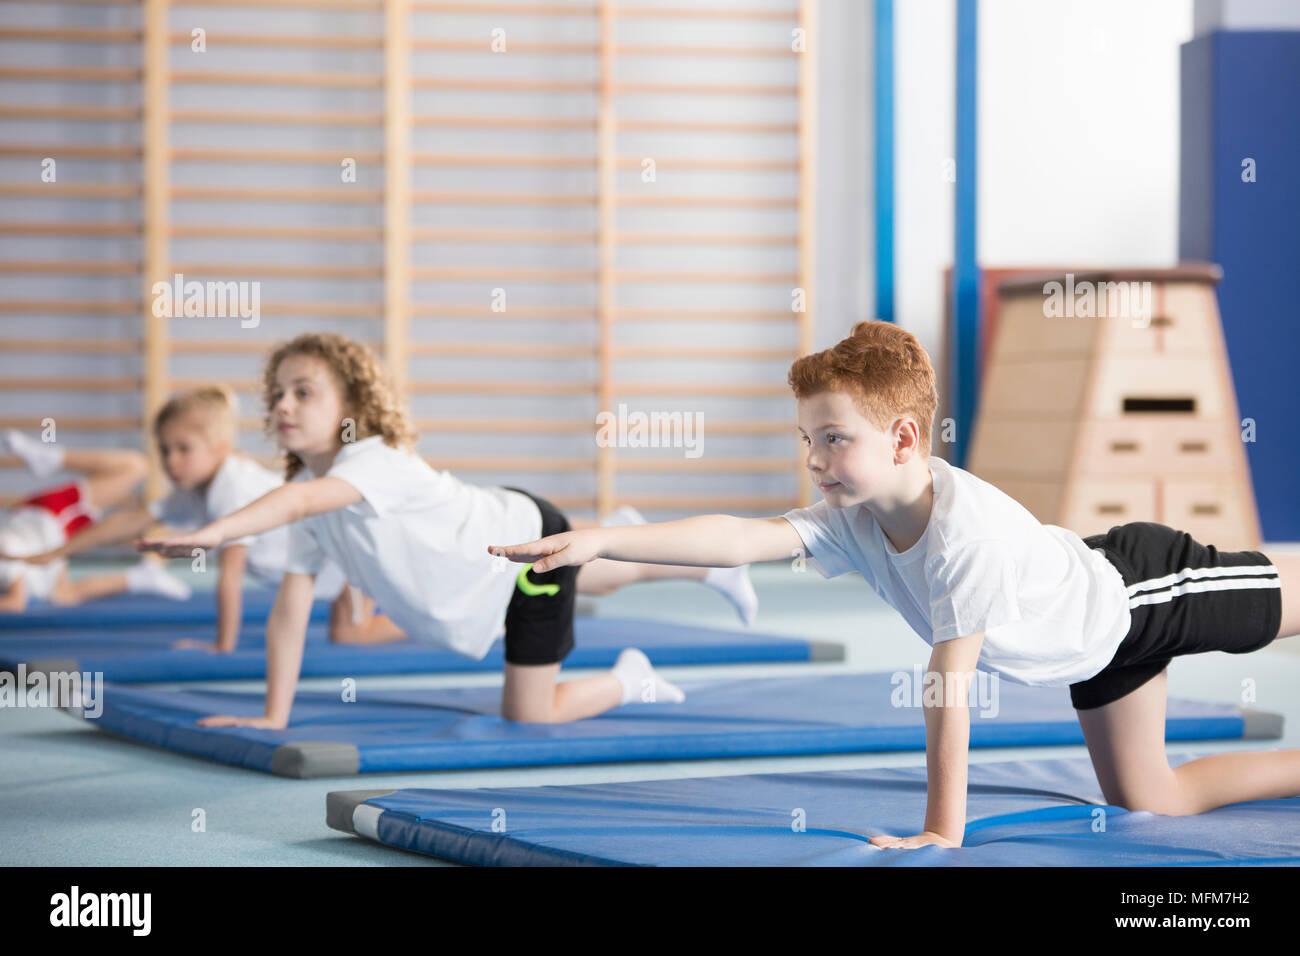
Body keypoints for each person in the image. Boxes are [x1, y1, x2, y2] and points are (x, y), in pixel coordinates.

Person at [489, 319, 1299, 848]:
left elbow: (949, 684)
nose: (814, 459)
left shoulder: (963, 536)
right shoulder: (857, 519)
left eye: (833, 439)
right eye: (808, 438)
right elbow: (739, 537)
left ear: (904, 437)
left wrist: (942, 832)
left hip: (1140, 591)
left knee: (1283, 601)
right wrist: (602, 538)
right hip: (1092, 655)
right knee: (1154, 802)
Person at [137, 333, 757, 726]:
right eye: (277, 396)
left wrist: (217, 533)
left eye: (304, 392)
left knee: (531, 714)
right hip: (494, 563)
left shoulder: (372, 459)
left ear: (353, 406)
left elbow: (298, 500)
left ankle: (631, 679)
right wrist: (274, 716)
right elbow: (289, 611)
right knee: (596, 577)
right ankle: (693, 559)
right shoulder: (314, 498)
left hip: (518, 544)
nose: (284, 406)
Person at [0, 429, 190, 612]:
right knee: (64, 596)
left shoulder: (9, 549)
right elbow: (17, 600)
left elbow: (16, 602)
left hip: (46, 519)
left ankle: (52, 457)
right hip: (44, 536)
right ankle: (141, 577)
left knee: (135, 467)